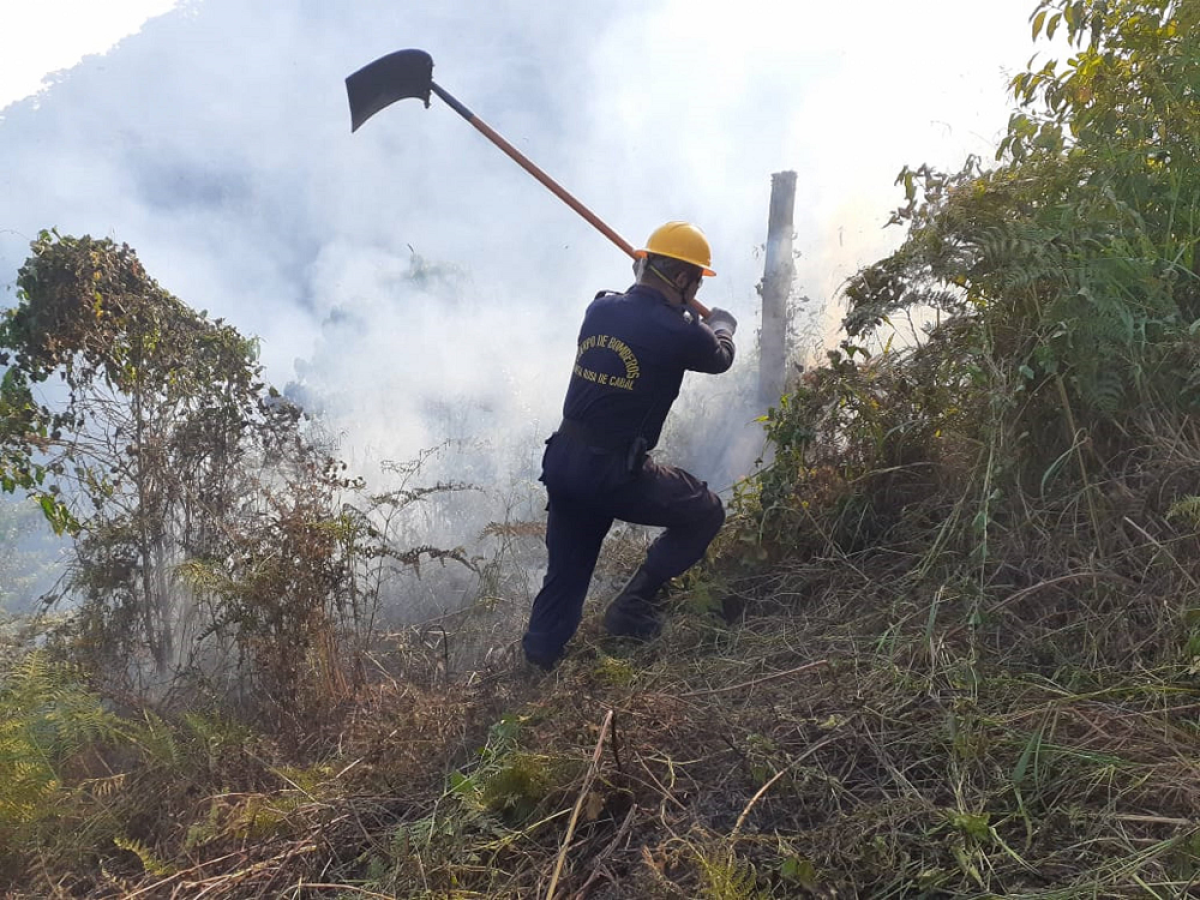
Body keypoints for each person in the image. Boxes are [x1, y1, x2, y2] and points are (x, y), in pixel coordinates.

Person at [521, 221, 738, 671]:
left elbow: (636, 307)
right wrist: (721, 322)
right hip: (613, 472)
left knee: (566, 573)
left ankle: (538, 660)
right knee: (705, 511)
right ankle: (631, 608)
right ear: (682, 280)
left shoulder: (600, 311)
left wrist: (655, 282)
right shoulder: (679, 331)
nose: (694, 288)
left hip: (564, 461)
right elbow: (719, 357)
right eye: (694, 280)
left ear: (642, 265)